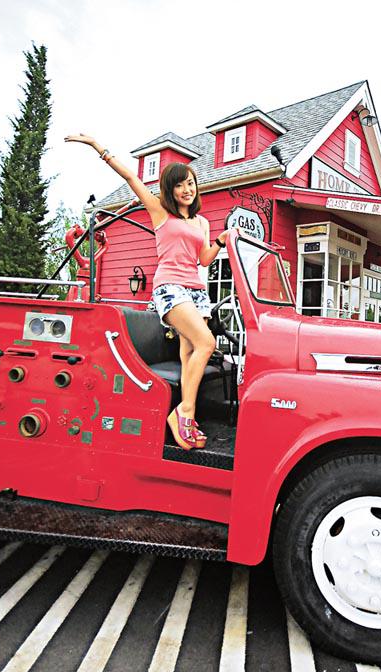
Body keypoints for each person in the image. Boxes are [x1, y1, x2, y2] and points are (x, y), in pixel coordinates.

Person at [65, 134, 230, 451]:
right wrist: (98, 147)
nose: (187, 189)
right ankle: (184, 412)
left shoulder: (202, 222)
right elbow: (131, 178)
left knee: (189, 353)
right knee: (206, 343)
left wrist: (220, 241)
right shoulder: (160, 212)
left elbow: (204, 259)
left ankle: (185, 415)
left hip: (196, 291)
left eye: (191, 183)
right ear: (170, 189)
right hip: (170, 287)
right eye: (180, 185)